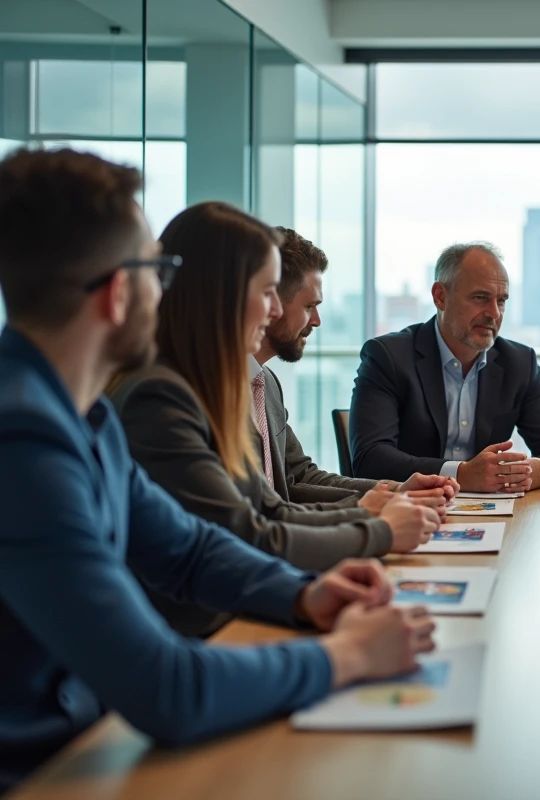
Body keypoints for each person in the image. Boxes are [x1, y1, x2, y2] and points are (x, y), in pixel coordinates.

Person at [0, 148, 435, 792]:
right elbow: (166, 689)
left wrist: (301, 595)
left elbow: (190, 548)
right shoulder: (24, 442)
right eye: (158, 269)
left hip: (91, 742)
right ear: (121, 293)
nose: (168, 288)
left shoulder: (77, 415)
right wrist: (342, 655)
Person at [109, 202, 443, 638]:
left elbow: (269, 506)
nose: (273, 312)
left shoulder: (222, 386)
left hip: (248, 604)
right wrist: (376, 530)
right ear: (222, 296)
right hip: (208, 629)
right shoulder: (162, 397)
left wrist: (377, 508)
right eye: (267, 292)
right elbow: (248, 534)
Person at [350, 241, 540, 492]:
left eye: (501, 301)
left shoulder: (518, 362)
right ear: (440, 296)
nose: (494, 313)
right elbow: (370, 459)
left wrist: (535, 471)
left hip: (492, 515)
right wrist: (461, 474)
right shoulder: (389, 357)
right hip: (410, 512)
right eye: (480, 298)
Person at [254, 227, 458, 505]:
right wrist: (366, 510)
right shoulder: (211, 392)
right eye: (308, 306)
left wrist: (396, 492)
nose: (317, 320)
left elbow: (300, 476)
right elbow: (260, 517)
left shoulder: (265, 384)